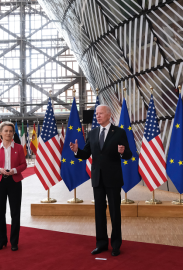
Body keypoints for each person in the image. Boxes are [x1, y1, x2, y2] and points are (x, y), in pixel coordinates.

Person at [69, 105, 132, 257]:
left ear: (109, 115)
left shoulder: (119, 132)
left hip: (113, 179)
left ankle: (116, 245)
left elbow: (129, 154)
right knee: (99, 213)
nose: (97, 116)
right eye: (96, 114)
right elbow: (85, 154)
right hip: (97, 179)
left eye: (100, 113)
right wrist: (77, 150)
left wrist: (123, 153)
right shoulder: (92, 133)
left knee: (115, 213)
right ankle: (101, 244)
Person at [0, 121, 27, 251]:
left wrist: (14, 170)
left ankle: (14, 242)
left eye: (11, 131)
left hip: (15, 182)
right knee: (1, 213)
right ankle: (2, 241)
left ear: (13, 133)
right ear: (0, 133)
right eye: (6, 131)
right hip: (0, 183)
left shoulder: (19, 148)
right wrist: (0, 170)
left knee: (15, 213)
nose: (8, 133)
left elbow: (24, 165)